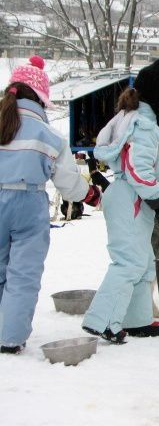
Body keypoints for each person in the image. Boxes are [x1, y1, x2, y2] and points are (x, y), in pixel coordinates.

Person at [0, 56, 101, 354]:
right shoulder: (49, 136)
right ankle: (9, 338)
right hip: (27, 204)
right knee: (23, 275)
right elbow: (68, 183)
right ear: (41, 100)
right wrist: (90, 195)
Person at [81, 58, 159, 344]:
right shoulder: (146, 125)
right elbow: (139, 169)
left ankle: (136, 320)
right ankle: (102, 321)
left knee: (144, 262)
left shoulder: (131, 117)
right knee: (129, 263)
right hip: (132, 198)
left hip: (126, 196)